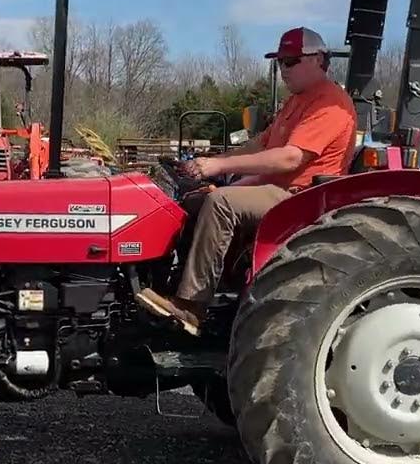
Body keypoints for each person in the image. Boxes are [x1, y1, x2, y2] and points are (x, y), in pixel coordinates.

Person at [135, 27, 358, 335]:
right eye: (279, 62)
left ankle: (191, 306)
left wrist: (218, 166)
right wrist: (213, 162)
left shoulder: (330, 103)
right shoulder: (296, 102)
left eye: (291, 61)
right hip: (275, 189)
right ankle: (167, 285)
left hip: (300, 197)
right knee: (197, 198)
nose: (283, 69)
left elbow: (290, 158)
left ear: (318, 59)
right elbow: (260, 145)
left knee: (221, 203)